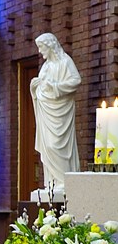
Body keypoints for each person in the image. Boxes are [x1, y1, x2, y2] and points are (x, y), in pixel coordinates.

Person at [29, 33, 81, 198]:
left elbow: (76, 81)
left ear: (50, 46)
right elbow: (41, 87)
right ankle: (52, 182)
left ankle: (64, 182)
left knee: (56, 145)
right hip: (46, 111)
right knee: (48, 146)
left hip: (61, 112)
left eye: (41, 47)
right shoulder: (45, 67)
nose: (40, 51)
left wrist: (55, 86)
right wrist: (34, 88)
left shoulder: (65, 62)